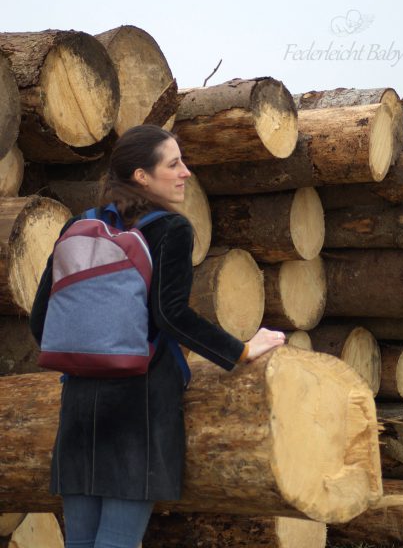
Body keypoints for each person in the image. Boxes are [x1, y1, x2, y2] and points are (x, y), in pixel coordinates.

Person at [30, 125, 286, 548]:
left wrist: (90, 350)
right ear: (141, 176)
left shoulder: (79, 225)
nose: (186, 172)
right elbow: (171, 315)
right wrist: (239, 350)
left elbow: (42, 321)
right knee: (117, 540)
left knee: (79, 540)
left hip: (79, 403)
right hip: (140, 405)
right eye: (174, 164)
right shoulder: (170, 229)